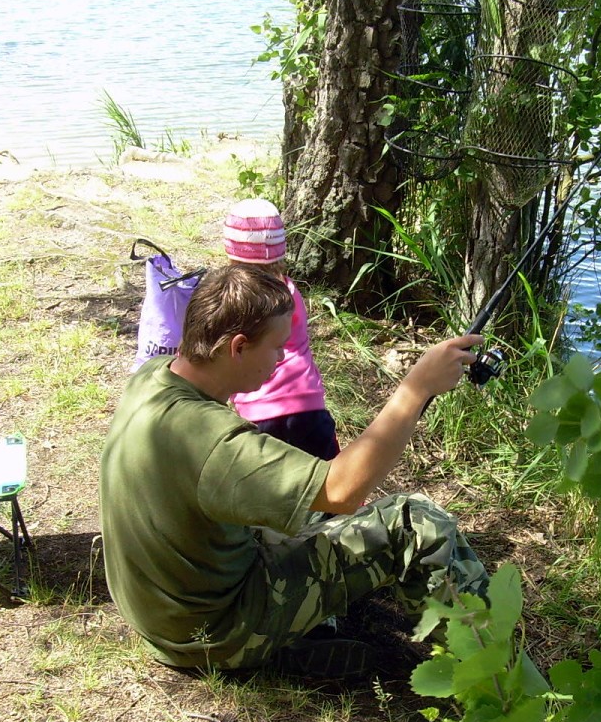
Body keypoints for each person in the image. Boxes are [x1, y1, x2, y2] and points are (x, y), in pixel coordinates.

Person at [99, 263, 488, 676]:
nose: (284, 357)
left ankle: (316, 634)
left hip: (165, 620)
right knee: (414, 523)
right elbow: (343, 491)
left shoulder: (153, 377)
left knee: (315, 505)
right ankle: (494, 676)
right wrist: (417, 388)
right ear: (238, 347)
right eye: (277, 346)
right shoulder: (211, 441)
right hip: (213, 636)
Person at [222, 198, 339, 460]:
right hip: (307, 403)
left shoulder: (233, 301)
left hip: (258, 411)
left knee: (269, 491)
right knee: (326, 484)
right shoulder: (288, 292)